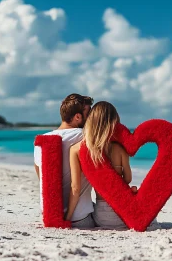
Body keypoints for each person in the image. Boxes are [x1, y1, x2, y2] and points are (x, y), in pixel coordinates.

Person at [70, 101, 141, 229]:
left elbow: (75, 187)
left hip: (101, 216)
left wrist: (67, 218)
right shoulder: (119, 149)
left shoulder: (79, 149)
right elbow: (128, 179)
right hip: (123, 213)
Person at [33, 93, 95, 228]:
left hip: (50, 214)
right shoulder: (85, 136)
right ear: (78, 117)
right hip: (79, 217)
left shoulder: (41, 141)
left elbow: (40, 175)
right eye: (89, 113)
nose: (91, 117)